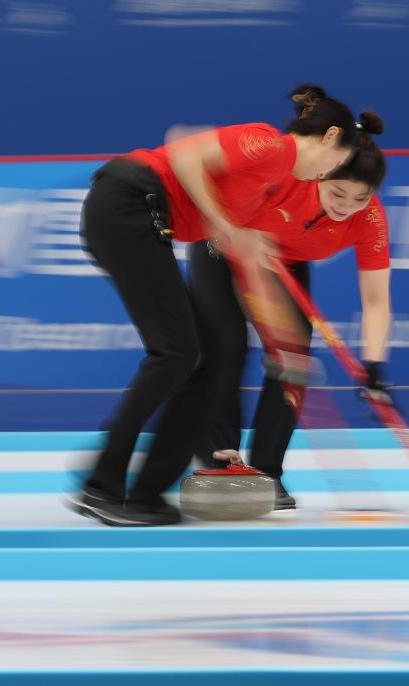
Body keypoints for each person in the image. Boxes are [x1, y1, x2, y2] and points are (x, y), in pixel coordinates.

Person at [71, 85, 358, 526]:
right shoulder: (271, 145)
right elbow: (184, 148)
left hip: (140, 217)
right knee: (176, 353)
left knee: (204, 360)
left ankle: (146, 492)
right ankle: (102, 484)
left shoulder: (270, 181)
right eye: (336, 162)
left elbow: (242, 249)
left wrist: (282, 336)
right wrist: (224, 224)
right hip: (128, 204)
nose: (328, 174)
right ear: (330, 136)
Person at [187, 111, 392, 510]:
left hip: (284, 261)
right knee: (226, 346)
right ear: (321, 175)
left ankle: (268, 472)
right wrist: (238, 232)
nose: (347, 207)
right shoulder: (287, 175)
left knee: (293, 360)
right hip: (222, 245)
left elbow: (376, 299)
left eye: (360, 198)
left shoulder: (370, 218)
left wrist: (375, 364)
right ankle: (220, 461)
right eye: (338, 194)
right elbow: (215, 184)